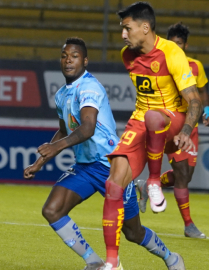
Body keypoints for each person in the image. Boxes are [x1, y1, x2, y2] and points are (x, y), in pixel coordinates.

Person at [24, 37, 185, 270]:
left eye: (75, 56)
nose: (68, 60)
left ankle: (171, 258)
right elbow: (64, 129)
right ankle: (94, 262)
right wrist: (40, 161)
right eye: (64, 55)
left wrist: (55, 148)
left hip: (112, 166)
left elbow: (87, 128)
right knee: (52, 210)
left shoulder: (90, 87)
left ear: (85, 60)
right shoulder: (61, 95)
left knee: (133, 232)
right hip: (85, 167)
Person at [102, 2, 202, 270]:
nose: (123, 34)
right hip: (142, 122)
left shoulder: (172, 52)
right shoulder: (128, 55)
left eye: (127, 28)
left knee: (155, 118)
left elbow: (195, 101)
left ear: (145, 28)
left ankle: (155, 181)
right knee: (113, 184)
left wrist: (185, 131)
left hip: (174, 119)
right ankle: (112, 262)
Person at [135, 22, 209, 239]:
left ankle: (148, 185)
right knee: (182, 176)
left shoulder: (196, 66)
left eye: (180, 44)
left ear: (186, 45)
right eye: (172, 43)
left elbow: (202, 90)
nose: (176, 47)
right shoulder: (161, 63)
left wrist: (207, 109)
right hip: (173, 126)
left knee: (185, 177)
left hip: (192, 127)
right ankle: (189, 225)